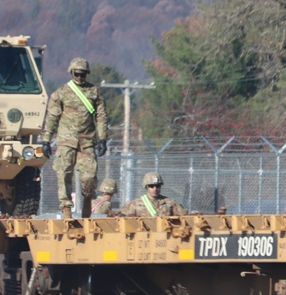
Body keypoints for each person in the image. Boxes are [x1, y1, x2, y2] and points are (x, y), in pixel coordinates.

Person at [42, 58, 108, 218]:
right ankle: (66, 212)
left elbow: (101, 116)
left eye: (83, 74)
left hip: (87, 142)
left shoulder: (94, 92)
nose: (80, 77)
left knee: (89, 178)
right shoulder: (61, 93)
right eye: (77, 74)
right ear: (72, 73)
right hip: (66, 141)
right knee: (63, 174)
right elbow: (52, 117)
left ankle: (86, 206)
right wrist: (46, 140)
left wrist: (102, 138)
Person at [119, 172, 187, 217]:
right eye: (152, 186)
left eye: (158, 186)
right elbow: (122, 218)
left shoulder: (170, 203)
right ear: (146, 187)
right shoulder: (135, 204)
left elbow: (184, 216)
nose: (155, 188)